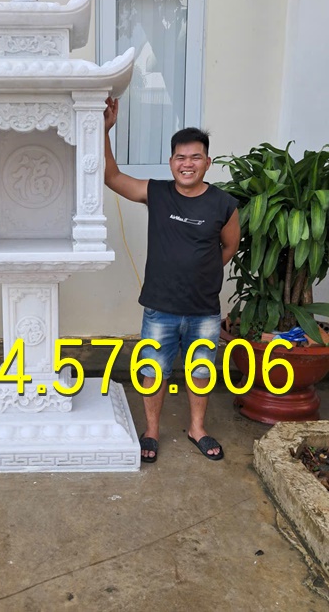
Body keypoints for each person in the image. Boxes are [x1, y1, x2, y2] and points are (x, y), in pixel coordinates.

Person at [104, 97, 240, 463]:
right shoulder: (157, 192)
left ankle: (197, 428)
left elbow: (230, 246)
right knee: (153, 371)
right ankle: (151, 431)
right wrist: (104, 131)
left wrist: (203, 271)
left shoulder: (224, 204)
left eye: (195, 157)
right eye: (181, 157)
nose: (187, 163)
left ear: (207, 162)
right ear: (171, 162)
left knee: (200, 371)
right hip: (160, 307)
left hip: (204, 310)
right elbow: (111, 176)